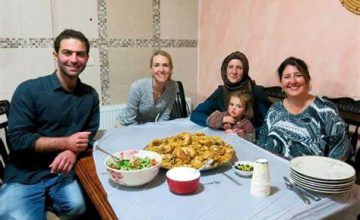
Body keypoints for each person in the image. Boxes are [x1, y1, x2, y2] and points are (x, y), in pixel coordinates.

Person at [0, 29, 100, 219]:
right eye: (67, 52)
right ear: (56, 55)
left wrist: (73, 151)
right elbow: (18, 139)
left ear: (87, 58)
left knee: (80, 207)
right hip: (24, 174)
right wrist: (66, 143)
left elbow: (90, 133)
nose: (74, 59)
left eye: (80, 54)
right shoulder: (29, 90)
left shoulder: (90, 95)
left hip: (62, 172)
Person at [256, 57, 352, 160]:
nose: (293, 81)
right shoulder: (274, 110)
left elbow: (340, 151)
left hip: (312, 175)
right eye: (287, 77)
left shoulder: (326, 110)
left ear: (307, 79)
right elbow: (261, 144)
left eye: (298, 75)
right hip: (273, 170)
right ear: (281, 83)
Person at [190, 51, 271, 130]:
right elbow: (195, 115)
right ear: (225, 70)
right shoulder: (221, 92)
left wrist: (245, 131)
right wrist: (220, 121)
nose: (234, 72)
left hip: (250, 140)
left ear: (245, 71)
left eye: (239, 68)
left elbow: (270, 124)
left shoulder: (256, 91)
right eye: (230, 67)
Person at [117, 50, 176, 126]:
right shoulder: (138, 86)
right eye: (156, 65)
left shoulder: (173, 87)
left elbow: (165, 116)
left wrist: (158, 130)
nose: (161, 70)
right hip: (125, 125)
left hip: (147, 126)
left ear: (171, 69)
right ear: (151, 70)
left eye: (165, 65)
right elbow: (129, 120)